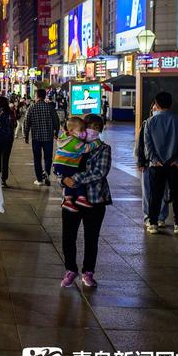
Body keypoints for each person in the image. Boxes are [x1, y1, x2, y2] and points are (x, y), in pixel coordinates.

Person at [60, 114, 112, 288]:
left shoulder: (103, 148)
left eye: (97, 128)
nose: (93, 131)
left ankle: (88, 272)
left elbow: (100, 172)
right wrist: (62, 178)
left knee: (91, 238)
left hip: (95, 199)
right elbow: (60, 161)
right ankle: (70, 269)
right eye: (90, 127)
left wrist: (73, 178)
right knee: (68, 236)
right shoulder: (73, 143)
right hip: (72, 199)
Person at [144, 92, 178, 235]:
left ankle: (153, 223)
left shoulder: (150, 122)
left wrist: (154, 159)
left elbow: (148, 144)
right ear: (171, 104)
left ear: (156, 105)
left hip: (157, 166)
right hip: (175, 166)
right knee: (177, 195)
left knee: (155, 195)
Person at [53, 116, 102, 212]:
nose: (85, 132)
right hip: (66, 165)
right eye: (84, 129)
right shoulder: (76, 142)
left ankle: (68, 199)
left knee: (70, 178)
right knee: (72, 177)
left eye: (96, 128)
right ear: (71, 131)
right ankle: (80, 198)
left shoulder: (65, 138)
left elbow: (100, 172)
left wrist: (65, 179)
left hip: (60, 164)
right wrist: (97, 143)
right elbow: (86, 148)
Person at [135, 105, 170, 227]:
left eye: (157, 109)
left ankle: (161, 217)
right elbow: (141, 144)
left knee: (163, 191)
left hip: (163, 164)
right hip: (148, 163)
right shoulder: (147, 124)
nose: (156, 111)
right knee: (148, 191)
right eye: (154, 109)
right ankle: (148, 216)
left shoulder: (168, 124)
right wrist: (141, 161)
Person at [24, 88, 60, 186]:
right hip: (48, 137)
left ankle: (39, 179)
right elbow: (56, 121)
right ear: (44, 97)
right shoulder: (50, 108)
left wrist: (26, 135)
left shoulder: (31, 108)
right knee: (48, 158)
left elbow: (26, 123)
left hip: (36, 138)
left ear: (36, 96)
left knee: (37, 158)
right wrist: (56, 132)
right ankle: (47, 174)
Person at [0, 97, 17, 188]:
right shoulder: (10, 113)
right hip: (8, 140)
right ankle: (4, 180)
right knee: (5, 159)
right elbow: (15, 124)